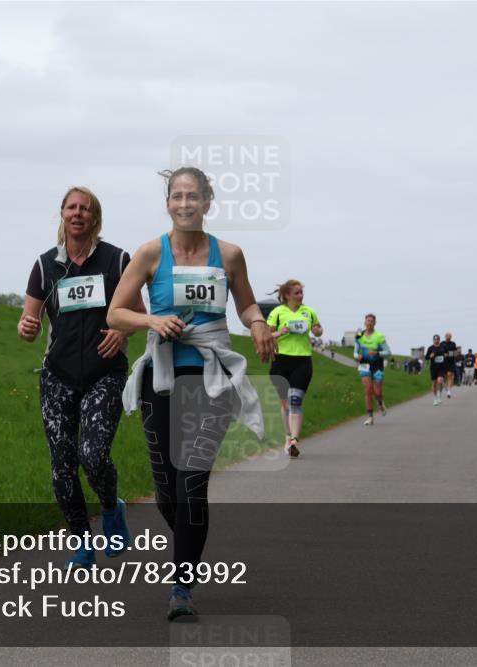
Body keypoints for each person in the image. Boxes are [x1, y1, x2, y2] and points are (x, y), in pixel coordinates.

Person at [108, 167, 274, 621]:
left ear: (207, 202)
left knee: (191, 483)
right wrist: (152, 321)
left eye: (193, 196)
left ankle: (181, 587)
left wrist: (257, 323)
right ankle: (189, 542)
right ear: (168, 203)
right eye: (177, 196)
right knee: (167, 491)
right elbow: (116, 313)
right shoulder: (148, 254)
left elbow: (245, 303)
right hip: (159, 379)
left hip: (211, 378)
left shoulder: (231, 254)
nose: (185, 204)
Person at [19, 186, 142, 569]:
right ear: (62, 214)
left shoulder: (117, 259)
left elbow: (138, 310)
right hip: (58, 376)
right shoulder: (45, 266)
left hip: (105, 373)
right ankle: (81, 543)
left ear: (95, 218)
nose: (77, 214)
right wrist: (26, 326)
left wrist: (123, 331)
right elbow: (30, 319)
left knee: (93, 454)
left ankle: (110, 507)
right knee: (62, 466)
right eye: (71, 208)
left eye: (85, 209)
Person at [266, 280, 323, 457]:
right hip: (281, 361)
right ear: (287, 295)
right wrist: (280, 333)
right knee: (286, 404)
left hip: (302, 361)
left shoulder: (309, 312)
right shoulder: (277, 312)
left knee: (295, 401)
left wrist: (316, 329)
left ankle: (294, 441)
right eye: (297, 293)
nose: (300, 296)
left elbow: (319, 331)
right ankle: (288, 436)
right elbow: (267, 335)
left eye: (301, 293)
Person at [354, 313, 391, 425]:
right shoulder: (359, 335)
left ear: (375, 323)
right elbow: (355, 351)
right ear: (365, 322)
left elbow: (388, 352)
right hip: (364, 365)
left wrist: (377, 352)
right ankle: (370, 416)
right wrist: (357, 356)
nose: (369, 323)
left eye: (371, 321)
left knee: (377, 391)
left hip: (377, 365)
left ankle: (380, 403)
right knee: (368, 389)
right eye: (367, 321)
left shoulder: (379, 336)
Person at [425, 334, 447, 405]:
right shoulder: (430, 348)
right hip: (433, 367)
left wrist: (446, 355)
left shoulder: (443, 347)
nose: (436, 340)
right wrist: (430, 356)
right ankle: (435, 398)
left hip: (441, 367)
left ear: (439, 340)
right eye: (435, 339)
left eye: (437, 339)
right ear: (433, 340)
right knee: (434, 383)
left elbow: (447, 354)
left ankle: (439, 395)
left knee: (440, 381)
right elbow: (426, 357)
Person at [442, 332, 459, 398]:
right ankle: (446, 387)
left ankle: (449, 391)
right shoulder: (442, 343)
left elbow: (455, 353)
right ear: (445, 336)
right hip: (443, 362)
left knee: (450, 375)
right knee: (445, 377)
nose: (448, 337)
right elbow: (440, 351)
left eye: (449, 336)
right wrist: (443, 354)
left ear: (451, 337)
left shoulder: (453, 344)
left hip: (451, 362)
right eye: (447, 336)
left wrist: (448, 354)